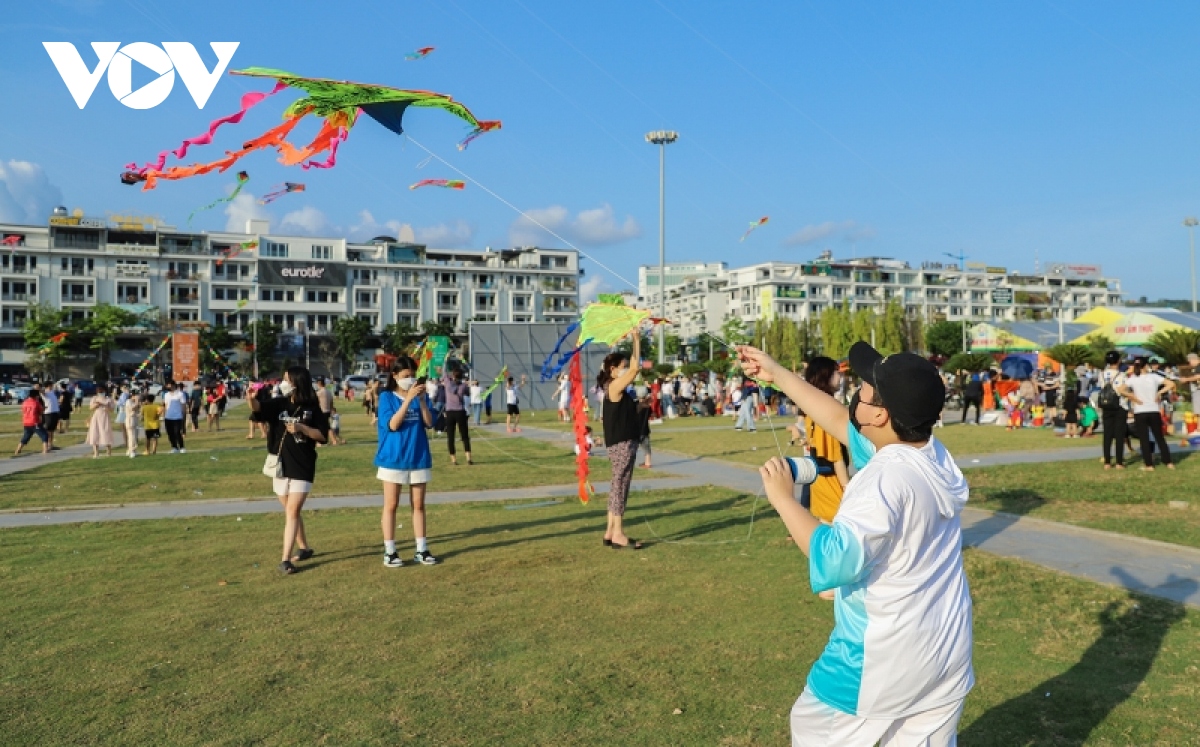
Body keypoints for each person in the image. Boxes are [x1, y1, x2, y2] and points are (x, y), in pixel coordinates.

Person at [739, 341, 973, 746]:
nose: (852, 396)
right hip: (944, 653)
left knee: (814, 726)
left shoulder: (883, 477)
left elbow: (833, 562)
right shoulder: (930, 455)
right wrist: (775, 373)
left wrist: (782, 498)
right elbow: (835, 417)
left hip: (878, 664)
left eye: (862, 391)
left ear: (880, 414)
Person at [251, 366, 329, 575]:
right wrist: (251, 398)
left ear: (297, 382)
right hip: (280, 463)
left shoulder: (312, 407)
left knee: (292, 511)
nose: (282, 383)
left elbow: (323, 436)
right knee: (290, 510)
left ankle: (285, 560)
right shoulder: (279, 404)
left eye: (286, 379)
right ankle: (304, 548)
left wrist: (302, 428)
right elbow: (259, 408)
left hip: (303, 464)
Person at [375, 356, 439, 567]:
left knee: (419, 505)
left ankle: (421, 549)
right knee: (391, 505)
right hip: (393, 458)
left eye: (412, 376)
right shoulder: (386, 397)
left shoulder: (422, 396)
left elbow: (430, 423)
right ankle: (390, 551)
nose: (410, 380)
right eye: (405, 376)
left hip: (418, 456)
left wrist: (421, 400)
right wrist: (408, 400)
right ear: (394, 376)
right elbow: (392, 424)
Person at [599, 334, 644, 550]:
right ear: (613, 370)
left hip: (621, 441)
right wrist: (636, 339)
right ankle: (617, 532)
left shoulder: (616, 388)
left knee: (617, 484)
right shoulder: (614, 387)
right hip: (621, 443)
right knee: (620, 485)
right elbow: (636, 369)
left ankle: (610, 531)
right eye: (622, 367)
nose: (626, 370)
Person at [800, 357, 851, 526]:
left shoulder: (811, 406)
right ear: (825, 375)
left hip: (819, 481)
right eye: (837, 372)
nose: (840, 377)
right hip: (832, 482)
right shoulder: (827, 410)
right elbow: (836, 457)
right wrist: (848, 488)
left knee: (826, 528)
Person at [1119, 357, 1175, 471]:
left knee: (1144, 439)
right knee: (1159, 437)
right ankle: (1168, 462)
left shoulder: (1133, 379)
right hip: (1154, 410)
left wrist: (1132, 397)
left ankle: (1149, 465)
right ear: (1146, 365)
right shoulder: (1154, 377)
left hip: (1140, 411)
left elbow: (1120, 389)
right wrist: (1160, 392)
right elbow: (1171, 383)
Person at [1096, 351, 1129, 470]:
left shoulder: (1101, 374)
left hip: (1106, 406)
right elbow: (1123, 390)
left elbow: (1101, 387)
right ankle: (1119, 462)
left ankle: (1107, 462)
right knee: (1119, 434)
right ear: (1118, 360)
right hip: (1119, 406)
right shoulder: (1122, 375)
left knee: (1107, 434)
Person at [442, 360, 473, 466]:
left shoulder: (448, 383)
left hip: (450, 412)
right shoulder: (463, 386)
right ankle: (468, 458)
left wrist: (446, 360)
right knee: (464, 436)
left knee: (451, 437)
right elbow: (467, 392)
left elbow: (444, 371)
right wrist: (463, 361)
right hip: (460, 411)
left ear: (453, 376)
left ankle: (454, 460)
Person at [13, 385, 49, 456]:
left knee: (26, 437)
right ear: (35, 396)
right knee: (44, 435)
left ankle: (17, 450)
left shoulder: (24, 402)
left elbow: (23, 411)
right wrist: (44, 408)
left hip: (26, 422)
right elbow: (41, 412)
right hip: (35, 422)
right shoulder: (36, 403)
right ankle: (45, 450)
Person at [86, 385, 116, 458]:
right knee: (95, 433)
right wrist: (97, 404)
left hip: (105, 417)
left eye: (102, 392)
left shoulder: (108, 399)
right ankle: (96, 452)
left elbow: (112, 409)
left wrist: (107, 407)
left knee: (106, 433)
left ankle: (108, 451)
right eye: (99, 392)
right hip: (96, 417)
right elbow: (91, 408)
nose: (101, 393)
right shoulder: (94, 398)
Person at [162, 381, 188, 454]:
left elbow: (183, 405)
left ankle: (182, 447)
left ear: (173, 385)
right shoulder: (166, 395)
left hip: (177, 417)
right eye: (167, 385)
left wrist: (183, 415)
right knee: (170, 433)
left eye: (169, 385)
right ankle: (174, 447)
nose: (168, 387)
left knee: (177, 432)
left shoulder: (180, 394)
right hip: (168, 417)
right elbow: (166, 405)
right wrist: (164, 415)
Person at [124, 390, 142, 458]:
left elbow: (138, 410)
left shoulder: (135, 402)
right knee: (132, 436)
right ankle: (132, 451)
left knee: (134, 436)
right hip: (130, 420)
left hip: (135, 420)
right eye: (136, 395)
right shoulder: (128, 401)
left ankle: (130, 450)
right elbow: (132, 408)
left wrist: (138, 403)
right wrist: (137, 402)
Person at [42, 384, 60, 450]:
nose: (52, 387)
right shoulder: (45, 393)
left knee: (52, 430)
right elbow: (41, 392)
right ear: (48, 386)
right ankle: (47, 445)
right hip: (48, 413)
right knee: (48, 430)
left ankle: (51, 445)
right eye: (51, 386)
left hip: (55, 413)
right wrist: (40, 388)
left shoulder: (52, 393)